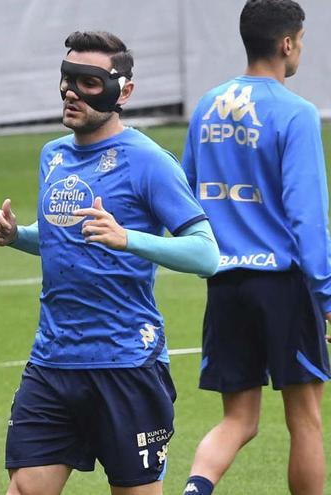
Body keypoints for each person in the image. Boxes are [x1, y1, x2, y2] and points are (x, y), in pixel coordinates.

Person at [0, 31, 220, 495]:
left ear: (123, 91)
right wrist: (17, 237)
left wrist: (127, 238)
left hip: (127, 364)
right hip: (53, 361)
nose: (71, 91)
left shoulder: (149, 161)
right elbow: (62, 239)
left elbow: (206, 253)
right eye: (66, 79)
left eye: (88, 82)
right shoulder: (53, 155)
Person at [179, 1, 330, 494]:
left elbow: (184, 194)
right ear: (287, 43)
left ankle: (194, 489)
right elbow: (308, 216)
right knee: (305, 420)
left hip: (225, 284)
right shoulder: (297, 113)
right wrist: (326, 296)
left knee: (239, 420)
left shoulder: (207, 105)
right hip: (282, 285)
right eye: (302, 40)